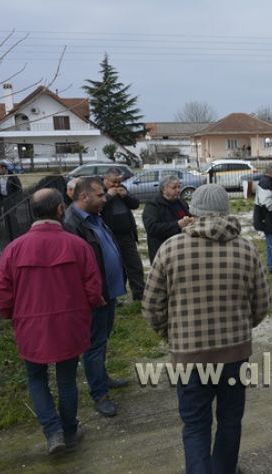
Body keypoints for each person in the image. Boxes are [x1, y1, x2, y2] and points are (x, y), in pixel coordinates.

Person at [143, 184, 269, 474]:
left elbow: (151, 307)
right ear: (227, 210)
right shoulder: (246, 249)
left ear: (192, 211)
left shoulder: (171, 248)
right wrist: (239, 328)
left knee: (196, 425)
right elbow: (262, 304)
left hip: (189, 356)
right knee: (229, 420)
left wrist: (172, 335)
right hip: (234, 356)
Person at [0, 189, 102, 455]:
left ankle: (53, 433)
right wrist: (90, 308)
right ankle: (68, 430)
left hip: (30, 325)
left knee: (36, 377)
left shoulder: (14, 249)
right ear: (60, 210)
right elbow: (93, 288)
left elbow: (1, 292)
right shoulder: (77, 245)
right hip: (70, 324)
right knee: (66, 380)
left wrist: (11, 315)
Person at [63, 177, 127, 417]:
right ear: (84, 197)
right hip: (94, 297)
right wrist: (92, 293)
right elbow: (77, 268)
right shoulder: (72, 224)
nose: (105, 198)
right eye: (100, 195)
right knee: (93, 345)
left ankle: (102, 376)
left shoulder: (95, 217)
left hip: (108, 293)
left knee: (102, 340)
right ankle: (99, 394)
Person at [101, 168, 145, 301]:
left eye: (119, 181)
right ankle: (116, 297)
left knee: (134, 265)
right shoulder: (99, 192)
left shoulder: (122, 189)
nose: (116, 185)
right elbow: (97, 208)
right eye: (113, 182)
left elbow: (135, 205)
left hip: (127, 236)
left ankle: (139, 295)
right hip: (109, 237)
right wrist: (108, 196)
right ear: (106, 180)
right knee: (114, 268)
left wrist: (126, 196)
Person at [142, 175, 192, 263]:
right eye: (174, 188)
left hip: (182, 249)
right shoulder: (153, 205)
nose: (178, 190)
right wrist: (177, 225)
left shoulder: (181, 203)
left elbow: (188, 217)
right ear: (164, 189)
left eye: (179, 187)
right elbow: (151, 228)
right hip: (162, 252)